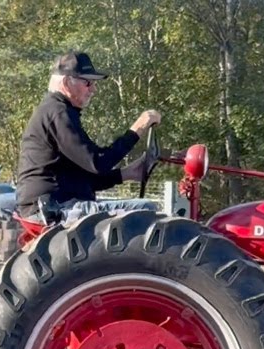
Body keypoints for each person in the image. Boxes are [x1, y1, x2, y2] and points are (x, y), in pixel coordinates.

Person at [14, 51, 161, 223]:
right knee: (146, 209)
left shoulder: (56, 111)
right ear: (66, 82)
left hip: (53, 206)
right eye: (88, 82)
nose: (93, 90)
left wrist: (126, 174)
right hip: (55, 210)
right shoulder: (58, 113)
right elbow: (98, 163)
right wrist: (138, 128)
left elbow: (82, 176)